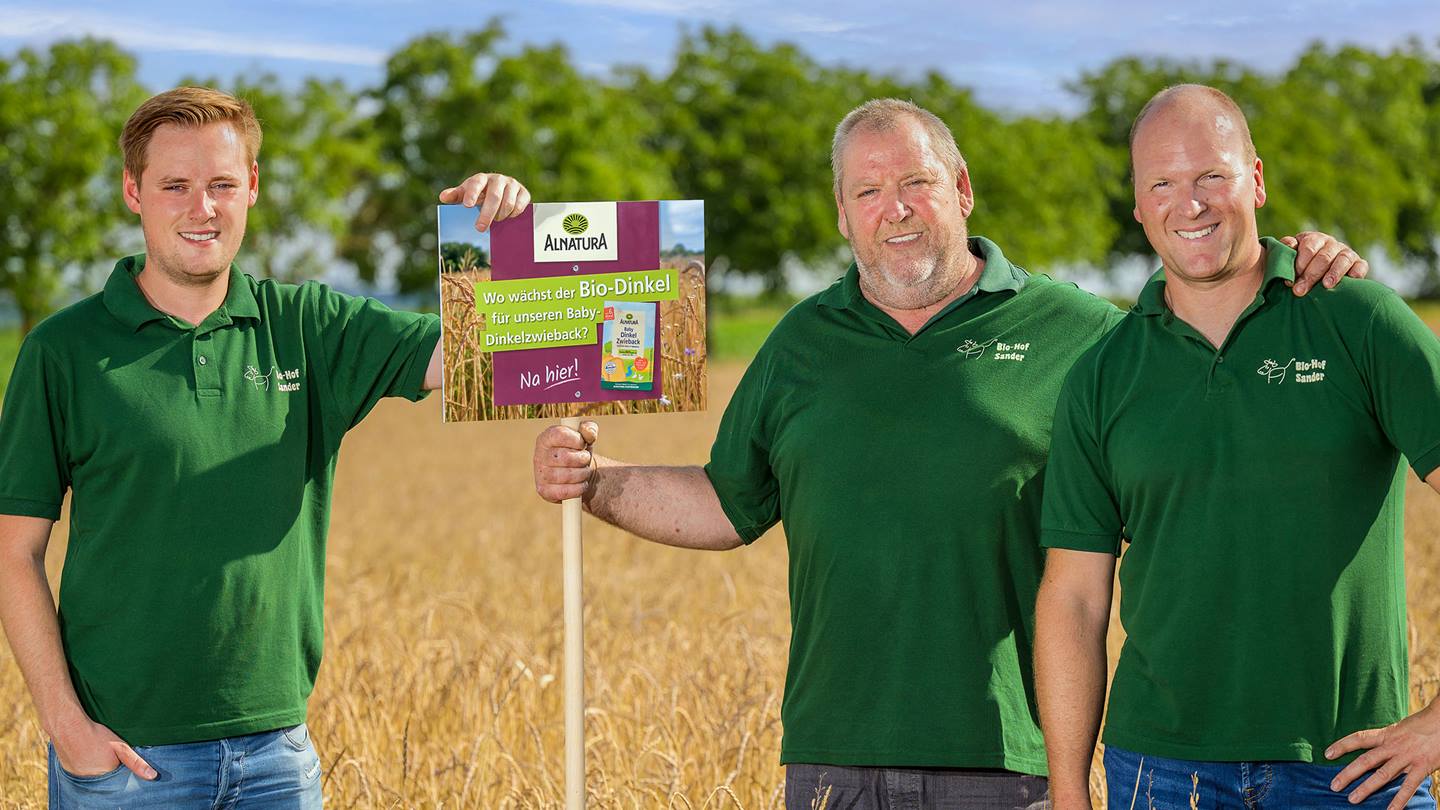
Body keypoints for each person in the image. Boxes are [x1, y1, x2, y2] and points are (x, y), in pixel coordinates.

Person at [532, 97, 1364, 810]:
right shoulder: (802, 342)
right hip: (832, 758)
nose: (893, 209)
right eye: (868, 191)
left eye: (914, 183)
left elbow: (1217, 361)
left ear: (960, 190)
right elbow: (726, 502)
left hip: (1009, 760)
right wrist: (594, 483)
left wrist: (1301, 274)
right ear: (841, 213)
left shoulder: (1083, 333)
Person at [0, 86, 529, 808]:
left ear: (251, 185)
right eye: (175, 186)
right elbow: (13, 551)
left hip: (278, 759)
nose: (202, 208)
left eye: (221, 184)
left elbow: (492, 357)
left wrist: (500, 239)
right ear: (133, 191)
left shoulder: (310, 326)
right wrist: (66, 728)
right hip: (124, 765)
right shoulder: (61, 351)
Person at [1035, 84, 1440, 810]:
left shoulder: (1360, 321)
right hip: (1160, 773)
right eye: (1162, 183)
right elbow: (1073, 597)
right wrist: (1068, 793)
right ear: (1137, 203)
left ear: (1255, 179)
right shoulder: (1102, 374)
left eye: (1210, 177)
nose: (1188, 204)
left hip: (1351, 768)